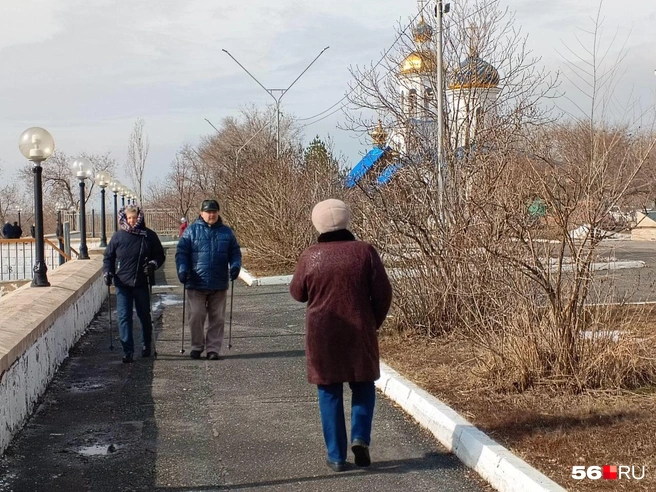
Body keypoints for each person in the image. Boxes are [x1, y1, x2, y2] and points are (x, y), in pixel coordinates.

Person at [289, 198, 392, 472]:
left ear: (317, 223)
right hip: (360, 330)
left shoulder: (310, 255)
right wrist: (372, 322)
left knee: (329, 391)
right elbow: (383, 294)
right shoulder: (365, 252)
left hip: (323, 334)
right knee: (363, 385)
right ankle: (360, 437)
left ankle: (335, 455)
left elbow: (298, 293)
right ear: (347, 219)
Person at [175, 199, 241, 360]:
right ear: (201, 213)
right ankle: (197, 346)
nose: (211, 214)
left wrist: (235, 266)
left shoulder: (227, 232)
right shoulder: (191, 231)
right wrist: (182, 270)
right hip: (195, 282)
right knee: (196, 315)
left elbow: (235, 253)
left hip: (218, 282)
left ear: (218, 213)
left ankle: (213, 349)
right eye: (208, 211)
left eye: (214, 211)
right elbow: (181, 253)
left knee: (217, 318)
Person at [103, 205, 166, 363]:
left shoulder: (148, 235)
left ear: (140, 217)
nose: (132, 221)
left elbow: (160, 255)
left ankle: (146, 345)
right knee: (124, 317)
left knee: (144, 315)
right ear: (124, 219)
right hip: (122, 283)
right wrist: (108, 272)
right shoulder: (118, 237)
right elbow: (108, 257)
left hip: (141, 282)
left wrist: (152, 264)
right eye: (129, 218)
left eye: (135, 218)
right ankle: (128, 350)